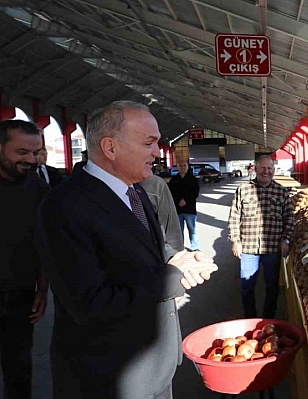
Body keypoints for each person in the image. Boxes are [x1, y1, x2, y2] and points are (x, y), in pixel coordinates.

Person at [35, 101, 218, 399]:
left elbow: (141, 252)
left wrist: (176, 258)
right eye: (149, 143)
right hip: (111, 377)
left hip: (156, 369)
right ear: (110, 148)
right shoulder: (64, 207)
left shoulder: (135, 192)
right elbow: (89, 303)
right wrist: (174, 277)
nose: (158, 153)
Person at [0, 120, 49, 399]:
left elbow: (43, 242)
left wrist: (42, 288)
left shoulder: (38, 188)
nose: (30, 160)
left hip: (20, 297)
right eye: (22, 153)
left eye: (35, 153)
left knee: (18, 369)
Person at [229, 155, 294, 319]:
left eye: (270, 168)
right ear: (255, 169)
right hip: (248, 248)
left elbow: (290, 218)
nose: (266, 172)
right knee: (246, 286)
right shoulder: (243, 190)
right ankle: (250, 318)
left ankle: (268, 319)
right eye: (263, 168)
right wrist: (235, 240)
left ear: (274, 170)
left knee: (272, 287)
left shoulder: (281, 191)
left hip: (272, 248)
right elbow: (234, 216)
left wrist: (285, 239)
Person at [168, 161, 200, 251]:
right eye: (180, 165)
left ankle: (195, 247)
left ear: (187, 167)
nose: (182, 167)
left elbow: (195, 193)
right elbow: (170, 193)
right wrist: (178, 201)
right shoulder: (173, 180)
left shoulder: (193, 179)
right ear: (177, 167)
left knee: (192, 229)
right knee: (179, 230)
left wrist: (185, 200)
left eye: (184, 165)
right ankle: (180, 247)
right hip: (178, 209)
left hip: (190, 209)